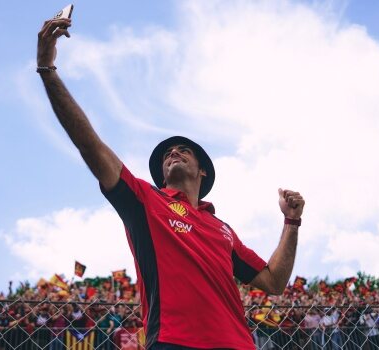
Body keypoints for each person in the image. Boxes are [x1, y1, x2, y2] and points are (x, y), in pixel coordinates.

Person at [37, 14, 305, 350]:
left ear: (202, 170)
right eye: (168, 153)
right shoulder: (144, 201)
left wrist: (291, 221)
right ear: (161, 172)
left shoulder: (223, 230)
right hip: (173, 342)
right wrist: (47, 71)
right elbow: (90, 144)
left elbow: (274, 281)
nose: (173, 152)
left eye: (184, 150)